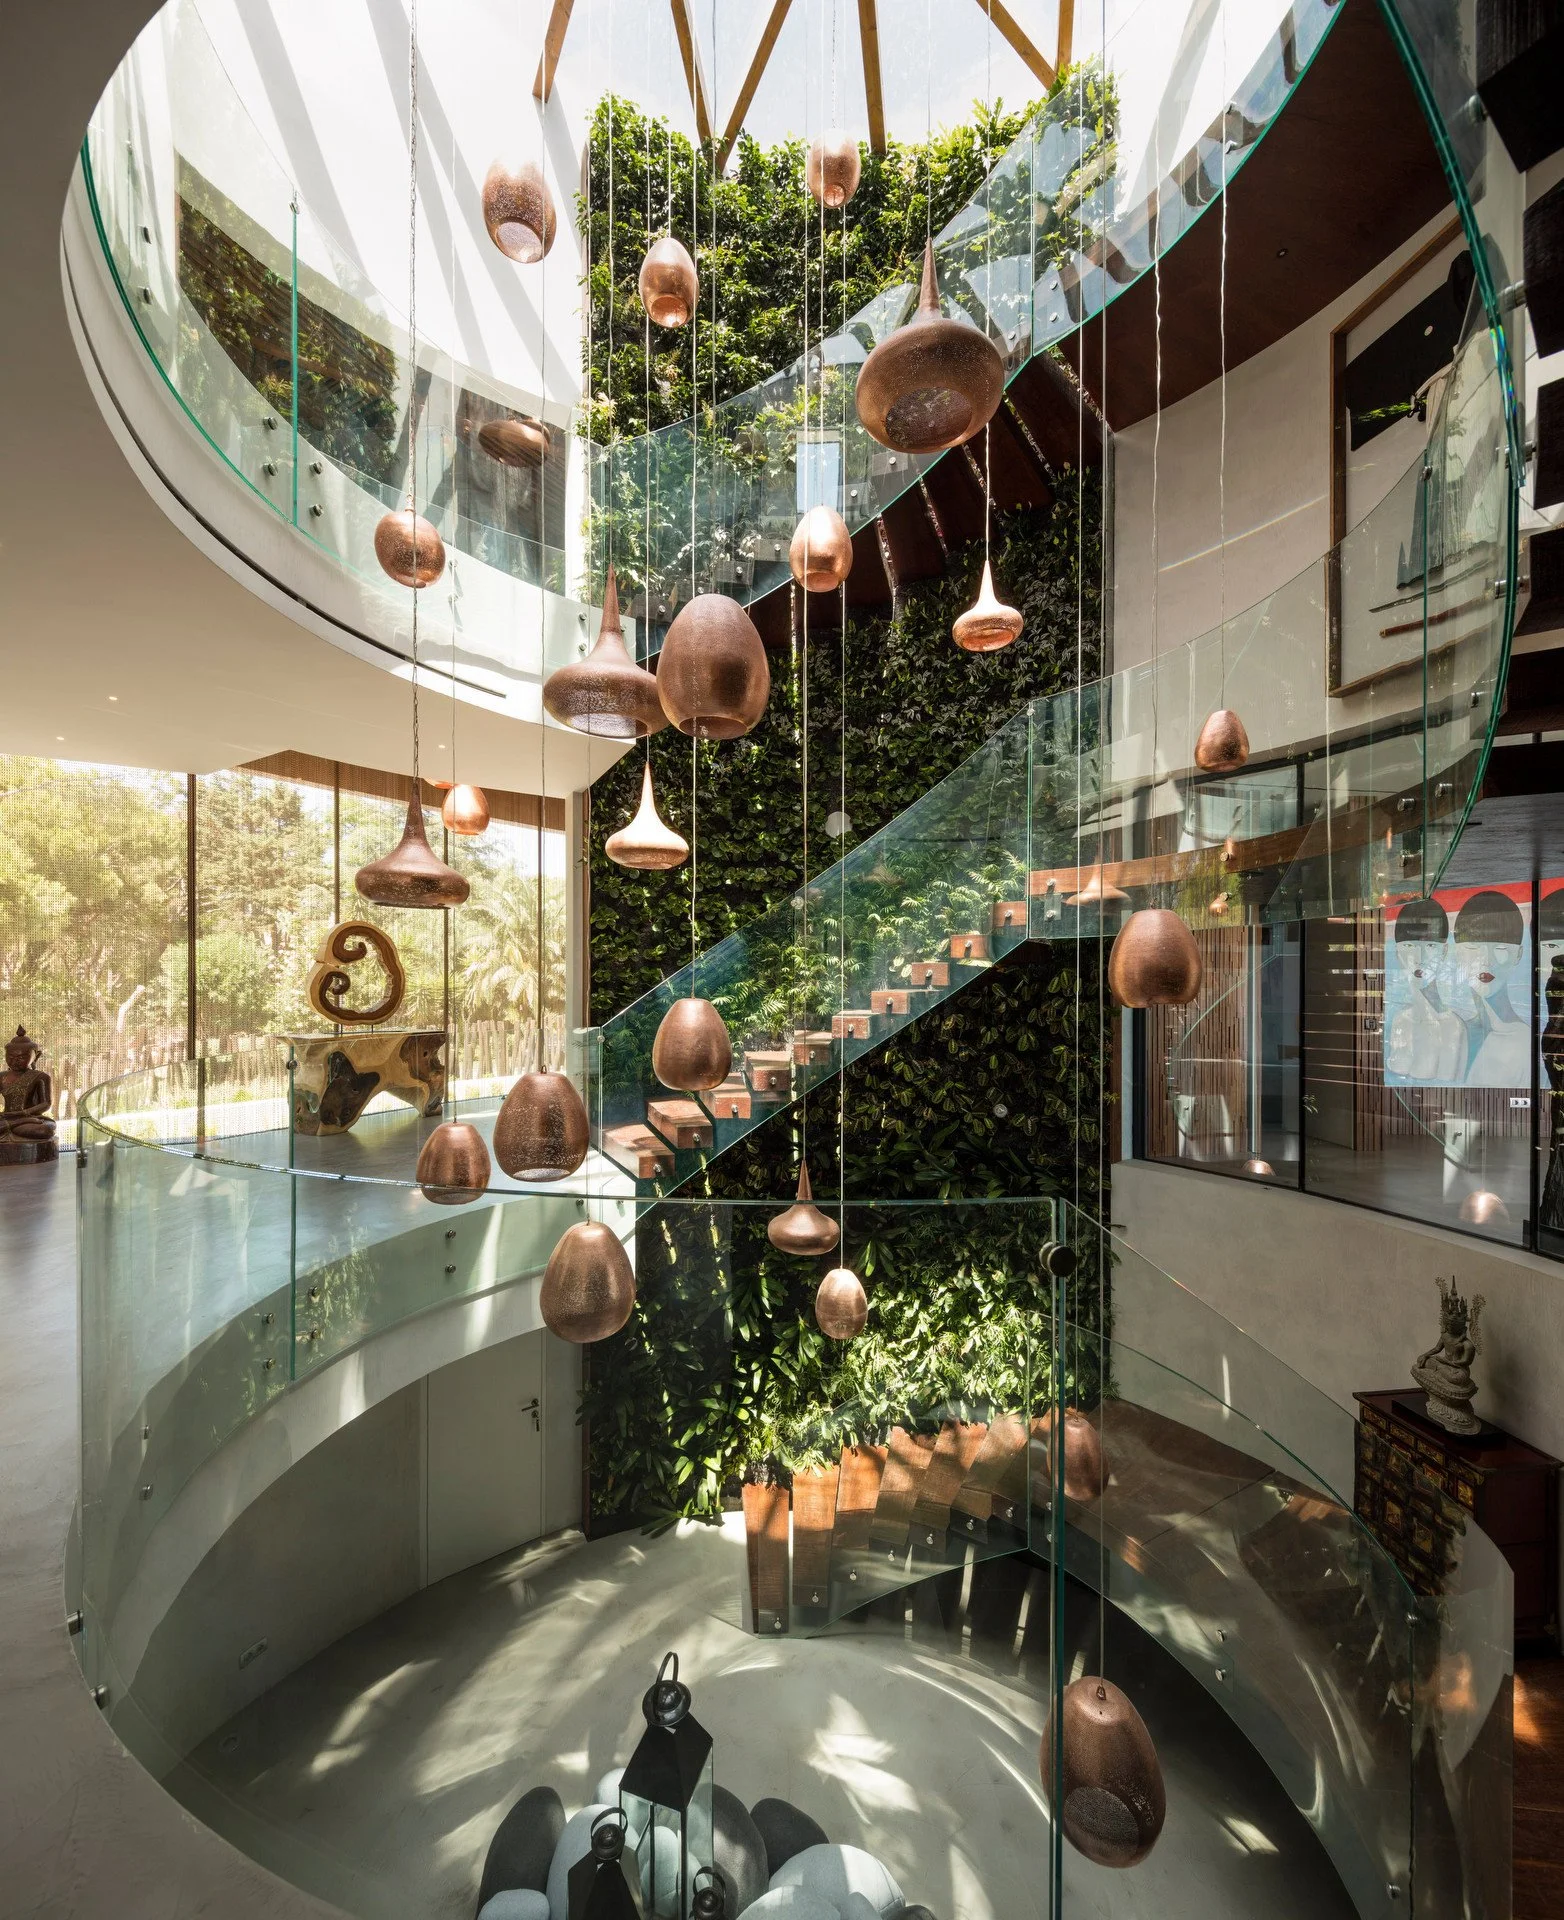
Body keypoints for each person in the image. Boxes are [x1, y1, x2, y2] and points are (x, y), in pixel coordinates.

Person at [1452, 890, 1529, 1087]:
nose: (1486, 960)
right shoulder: (1459, 1028)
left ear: (1518, 954)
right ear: (1457, 952)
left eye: (1501, 949)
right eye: (1473, 948)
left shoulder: (1522, 1043)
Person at [1386, 897, 1464, 1083]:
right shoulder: (1398, 1020)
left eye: (1430, 946)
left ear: (1444, 951)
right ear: (1398, 952)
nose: (1419, 957)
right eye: (1409, 946)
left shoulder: (1451, 1027)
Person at [0, 1026, 59, 1162]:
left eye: (21, 1057)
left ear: (35, 1056)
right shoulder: (1, 1077)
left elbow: (45, 1103)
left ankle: (9, 1128)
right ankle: (11, 1127)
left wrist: (24, 1113)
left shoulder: (40, 1077)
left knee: (45, 1131)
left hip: (32, 1119)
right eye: (11, 1057)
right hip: (7, 1117)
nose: (15, 1061)